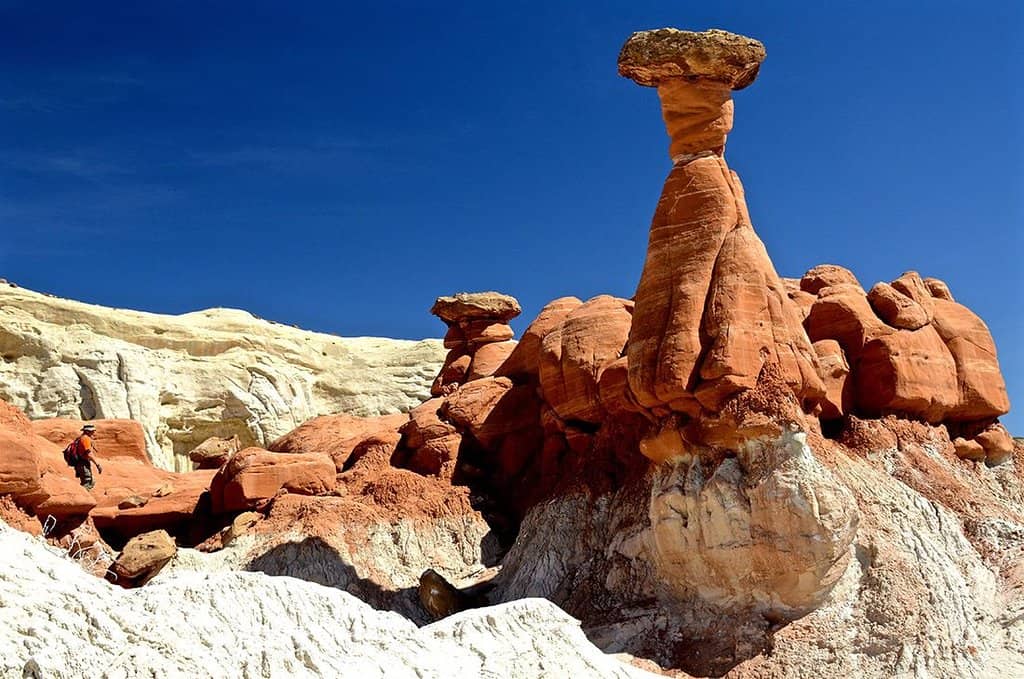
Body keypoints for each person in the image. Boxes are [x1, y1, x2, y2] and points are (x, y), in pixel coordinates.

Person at [69, 424, 103, 490]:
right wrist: (97, 465)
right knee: (88, 482)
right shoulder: (85, 439)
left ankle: (81, 495)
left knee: (87, 481)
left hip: (80, 463)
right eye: (92, 431)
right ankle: (80, 497)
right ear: (87, 431)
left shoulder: (81, 438)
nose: (94, 432)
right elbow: (89, 454)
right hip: (83, 463)